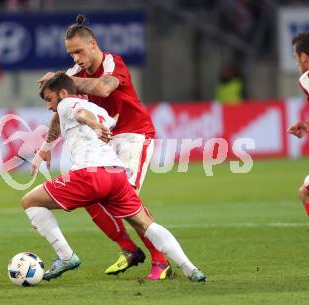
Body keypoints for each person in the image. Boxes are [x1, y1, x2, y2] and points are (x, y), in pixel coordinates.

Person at [23, 72, 206, 283]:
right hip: (116, 175)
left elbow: (81, 113)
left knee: (29, 202)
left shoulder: (67, 104)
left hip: (89, 174)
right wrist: (98, 125)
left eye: (49, 99)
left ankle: (66, 256)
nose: (49, 106)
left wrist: (93, 125)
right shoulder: (100, 110)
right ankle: (191, 269)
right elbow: (106, 120)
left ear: (63, 93)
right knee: (147, 225)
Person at [34, 15, 171, 280]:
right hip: (104, 139)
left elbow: (103, 88)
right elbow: (62, 110)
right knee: (90, 192)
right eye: (70, 53)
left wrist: (64, 80)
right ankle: (129, 249)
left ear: (93, 44)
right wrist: (46, 145)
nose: (75, 58)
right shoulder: (73, 75)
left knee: (127, 199)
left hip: (134, 134)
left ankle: (161, 260)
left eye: (78, 51)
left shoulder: (112, 63)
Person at [287, 32, 309, 216]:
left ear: (304, 57)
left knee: (306, 193)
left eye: (296, 57)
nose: (297, 63)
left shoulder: (307, 78)